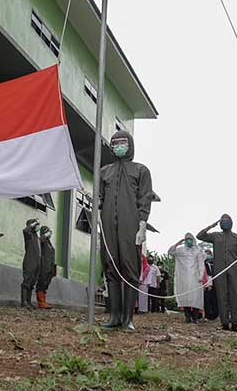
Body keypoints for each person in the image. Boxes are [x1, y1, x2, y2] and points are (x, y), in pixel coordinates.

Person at [99, 131, 153, 331]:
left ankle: (128, 318)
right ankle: (114, 316)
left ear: (130, 145)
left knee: (130, 269)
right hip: (107, 225)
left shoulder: (141, 170)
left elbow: (145, 197)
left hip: (131, 224)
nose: (119, 146)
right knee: (110, 267)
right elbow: (99, 197)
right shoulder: (104, 171)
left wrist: (142, 224)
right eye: (115, 143)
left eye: (123, 142)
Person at [197, 214, 237, 332]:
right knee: (221, 296)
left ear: (231, 223)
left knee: (235, 297)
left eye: (227, 221)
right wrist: (211, 226)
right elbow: (199, 236)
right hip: (219, 271)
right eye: (222, 221)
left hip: (234, 270)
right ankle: (224, 323)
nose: (225, 222)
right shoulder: (215, 236)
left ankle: (235, 324)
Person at [169, 233, 206, 323]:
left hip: (195, 278)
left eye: (190, 239)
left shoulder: (197, 251)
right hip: (183, 278)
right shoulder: (180, 250)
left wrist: (201, 275)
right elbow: (170, 251)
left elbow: (201, 264)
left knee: (196, 298)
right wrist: (178, 243)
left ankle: (196, 318)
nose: (189, 240)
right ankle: (187, 317)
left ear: (193, 240)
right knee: (186, 297)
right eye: (187, 239)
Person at [21, 219, 41, 308]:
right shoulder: (29, 235)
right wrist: (32, 224)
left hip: (37, 262)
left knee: (32, 282)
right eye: (36, 224)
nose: (38, 226)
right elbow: (25, 230)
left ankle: (28, 301)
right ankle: (24, 302)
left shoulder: (36, 236)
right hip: (30, 260)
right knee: (27, 280)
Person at [36, 225, 56, 309]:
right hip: (44, 266)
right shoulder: (42, 241)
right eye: (48, 232)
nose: (50, 233)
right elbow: (40, 240)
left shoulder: (49, 243)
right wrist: (45, 235)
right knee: (41, 283)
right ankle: (41, 303)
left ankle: (44, 301)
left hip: (50, 267)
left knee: (46, 284)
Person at [203, 248, 219, 321]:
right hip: (206, 283)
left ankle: (215, 315)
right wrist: (208, 284)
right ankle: (207, 315)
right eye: (206, 253)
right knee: (207, 300)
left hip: (215, 283)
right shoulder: (203, 263)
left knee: (215, 300)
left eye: (209, 253)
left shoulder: (214, 263)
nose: (208, 254)